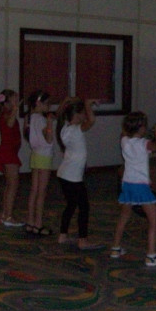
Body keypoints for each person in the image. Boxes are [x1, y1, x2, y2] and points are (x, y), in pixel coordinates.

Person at [110, 112, 156, 267]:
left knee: (124, 216)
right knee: (154, 221)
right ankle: (151, 255)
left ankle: (115, 248)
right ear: (142, 128)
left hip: (127, 183)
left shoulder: (124, 141)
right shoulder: (144, 143)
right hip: (140, 185)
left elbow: (124, 132)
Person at [55, 97, 104, 250]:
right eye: (83, 113)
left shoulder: (64, 127)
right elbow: (92, 121)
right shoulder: (75, 130)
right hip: (72, 177)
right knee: (84, 207)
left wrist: (66, 102)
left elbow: (60, 113)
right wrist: (88, 104)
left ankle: (63, 235)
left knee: (71, 205)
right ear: (76, 115)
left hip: (64, 173)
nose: (85, 116)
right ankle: (83, 240)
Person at [23, 90, 55, 235]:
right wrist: (50, 124)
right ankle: (38, 224)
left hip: (35, 154)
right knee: (41, 192)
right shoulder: (41, 120)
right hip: (44, 156)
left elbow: (27, 136)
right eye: (47, 103)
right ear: (38, 103)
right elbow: (48, 139)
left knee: (34, 190)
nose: (49, 106)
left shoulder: (29, 118)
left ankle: (30, 222)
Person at [0, 89, 24, 227]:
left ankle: (6, 214)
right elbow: (10, 125)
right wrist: (15, 110)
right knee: (13, 185)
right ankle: (8, 216)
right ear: (7, 102)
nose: (17, 101)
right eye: (14, 99)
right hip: (8, 153)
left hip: (9, 152)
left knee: (10, 185)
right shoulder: (7, 114)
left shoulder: (7, 114)